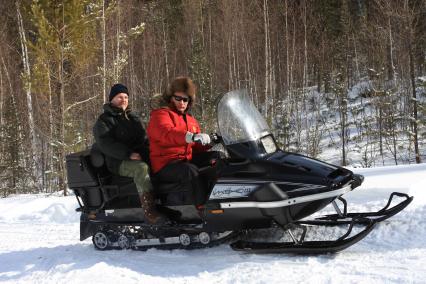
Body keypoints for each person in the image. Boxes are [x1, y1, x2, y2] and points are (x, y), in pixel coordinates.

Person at [93, 83, 166, 224]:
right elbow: (106, 144)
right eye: (120, 97)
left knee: (161, 160)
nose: (124, 100)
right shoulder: (104, 121)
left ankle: (168, 201)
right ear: (112, 99)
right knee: (141, 168)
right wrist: (128, 154)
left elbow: (143, 138)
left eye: (126, 97)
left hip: (137, 155)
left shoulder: (132, 117)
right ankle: (149, 211)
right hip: (118, 162)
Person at [147, 77, 220, 205]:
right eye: (178, 98)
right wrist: (190, 136)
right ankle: (200, 208)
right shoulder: (161, 115)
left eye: (185, 99)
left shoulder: (190, 120)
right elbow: (167, 134)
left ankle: (220, 198)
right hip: (165, 164)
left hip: (185, 160)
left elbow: (196, 146)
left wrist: (212, 142)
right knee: (190, 171)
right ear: (170, 97)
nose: (182, 102)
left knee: (216, 158)